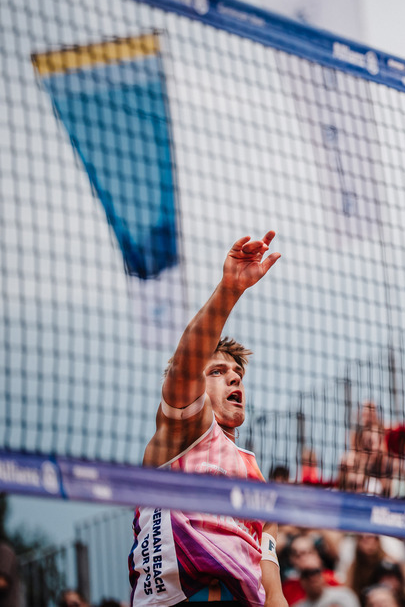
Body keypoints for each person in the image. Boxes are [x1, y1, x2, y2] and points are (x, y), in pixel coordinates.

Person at [128, 233, 285, 607]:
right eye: (217, 371)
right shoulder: (183, 434)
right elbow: (185, 367)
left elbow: (272, 586)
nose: (234, 378)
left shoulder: (258, 481)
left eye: (237, 374)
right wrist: (230, 289)